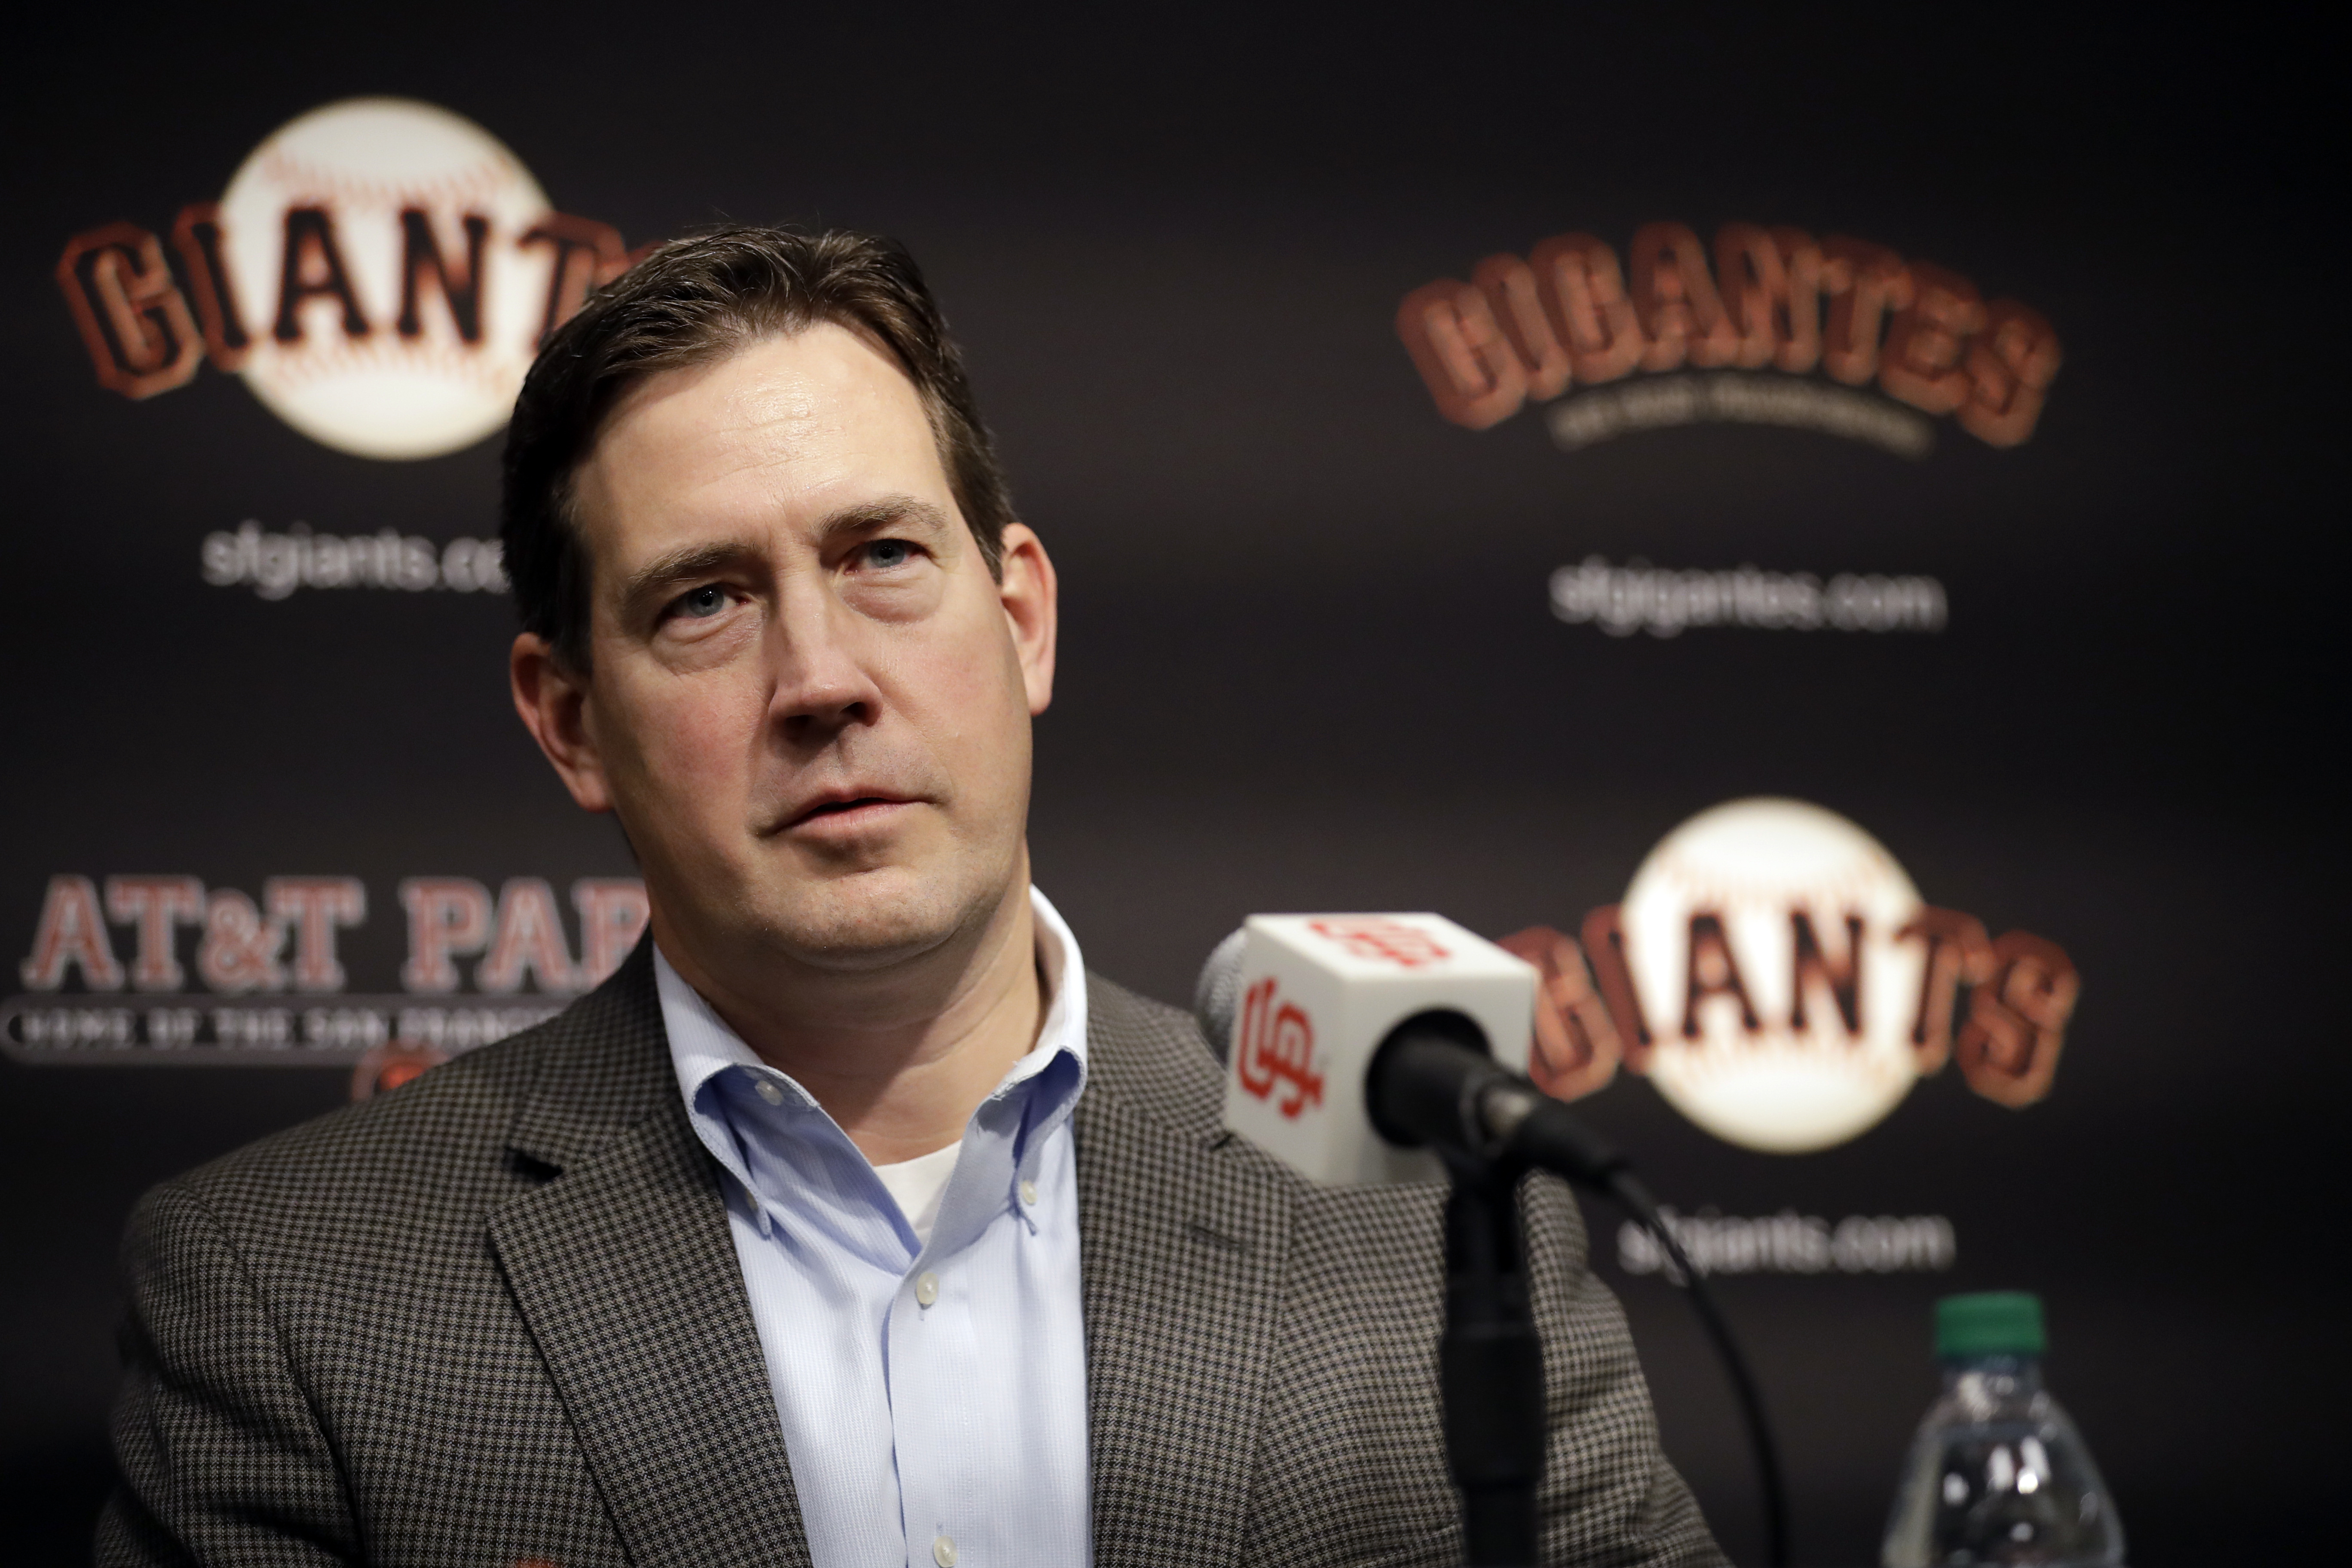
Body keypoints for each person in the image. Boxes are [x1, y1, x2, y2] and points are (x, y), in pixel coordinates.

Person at [98, 227, 1726, 1568]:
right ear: (571, 719)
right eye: (706, 601)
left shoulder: (1416, 1219)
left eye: (882, 554)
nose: (821, 680)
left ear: (1020, 620)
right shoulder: (293, 1292)